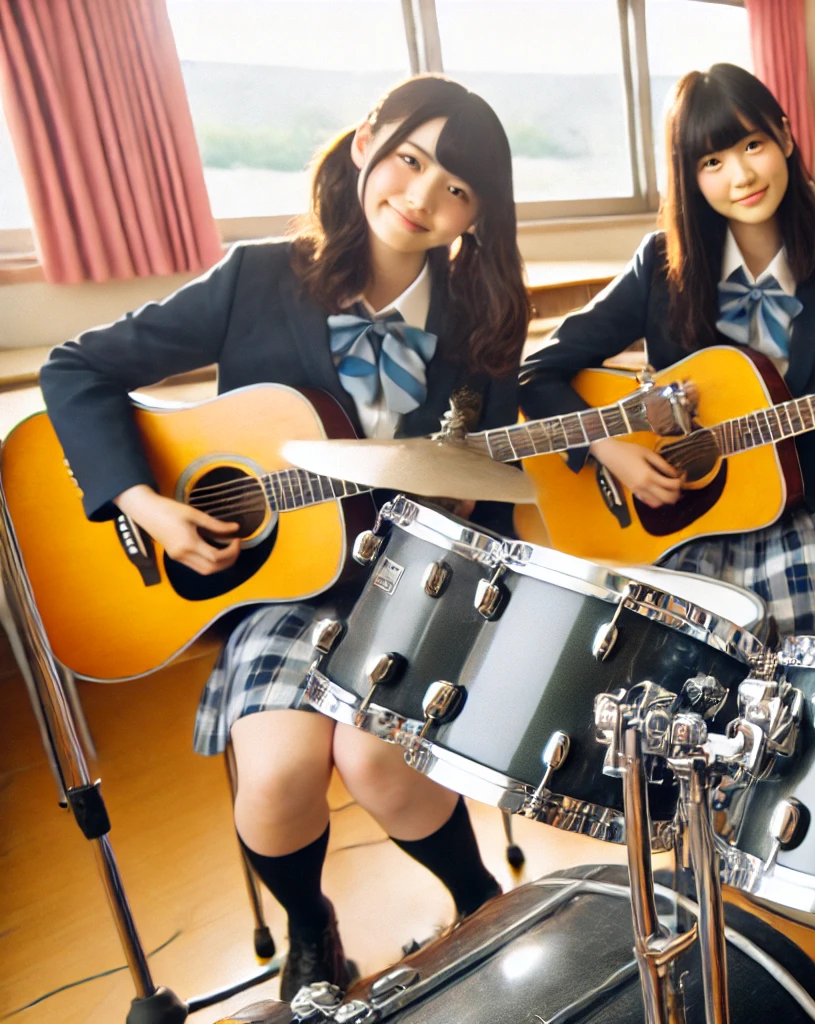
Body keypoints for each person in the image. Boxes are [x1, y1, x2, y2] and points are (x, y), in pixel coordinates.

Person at [39, 75, 530, 998]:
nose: (423, 198)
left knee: (374, 753)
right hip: (281, 586)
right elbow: (76, 371)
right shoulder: (259, 278)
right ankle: (313, 928)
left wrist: (472, 528)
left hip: (417, 580)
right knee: (278, 771)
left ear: (480, 214)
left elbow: (496, 493)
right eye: (411, 161)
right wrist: (143, 503)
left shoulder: (486, 317)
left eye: (458, 188)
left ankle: (481, 899)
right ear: (365, 145)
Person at [519, 64, 815, 642]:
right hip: (680, 515)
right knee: (667, 647)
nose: (741, 175)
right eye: (712, 162)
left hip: (807, 506)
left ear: (786, 139)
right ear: (689, 176)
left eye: (753, 145)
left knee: (798, 636)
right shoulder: (661, 268)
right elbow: (537, 373)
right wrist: (609, 450)